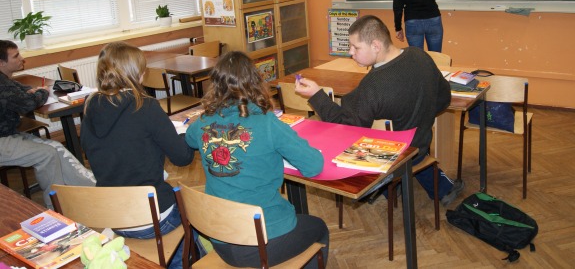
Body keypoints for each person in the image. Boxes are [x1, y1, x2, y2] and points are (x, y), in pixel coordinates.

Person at [295, 15, 464, 206]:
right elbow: (444, 99)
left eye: (356, 47)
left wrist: (316, 95)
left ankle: (381, 184)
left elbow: (346, 129)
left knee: (335, 137)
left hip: (388, 157)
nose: (350, 52)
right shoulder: (420, 55)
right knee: (404, 143)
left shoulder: (373, 86)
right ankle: (407, 185)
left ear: (376, 45)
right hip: (420, 146)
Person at [185, 51, 329, 268]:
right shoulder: (267, 122)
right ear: (255, 82)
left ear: (215, 86)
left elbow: (190, 139)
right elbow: (314, 165)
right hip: (261, 243)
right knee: (318, 227)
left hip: (220, 237)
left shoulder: (204, 121)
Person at [81, 42, 194, 269]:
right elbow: (182, 158)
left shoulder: (89, 105)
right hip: (152, 218)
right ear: (137, 74)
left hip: (112, 215)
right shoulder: (146, 106)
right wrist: (186, 136)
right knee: (196, 215)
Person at [0, 40, 95, 208]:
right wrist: (42, 92)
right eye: (16, 56)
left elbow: (21, 89)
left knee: (56, 147)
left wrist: (32, 93)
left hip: (8, 134)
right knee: (47, 154)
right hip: (3, 139)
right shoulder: (2, 85)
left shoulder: (5, 80)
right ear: (1, 63)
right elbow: (27, 104)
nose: (21, 59)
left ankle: (90, 189)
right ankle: (55, 207)